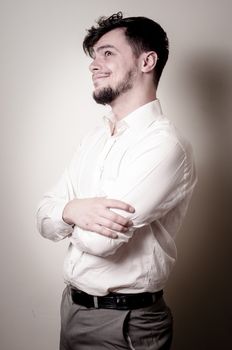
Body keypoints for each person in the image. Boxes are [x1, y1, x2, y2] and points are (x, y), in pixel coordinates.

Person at [37, 11, 197, 350]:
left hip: (125, 324)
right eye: (93, 56)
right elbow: (43, 215)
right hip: (72, 308)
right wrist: (73, 210)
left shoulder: (165, 145)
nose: (94, 64)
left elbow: (101, 244)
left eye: (107, 52)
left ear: (147, 61)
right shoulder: (93, 138)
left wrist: (63, 213)